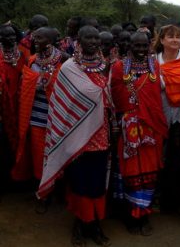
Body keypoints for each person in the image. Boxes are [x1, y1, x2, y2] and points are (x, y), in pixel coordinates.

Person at [38, 25, 112, 247]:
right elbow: (62, 104)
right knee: (79, 182)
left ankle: (95, 225)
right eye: (87, 38)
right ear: (78, 41)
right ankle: (80, 224)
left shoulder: (106, 67)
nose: (93, 41)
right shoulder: (68, 68)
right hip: (75, 134)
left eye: (96, 38)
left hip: (100, 134)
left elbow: (110, 99)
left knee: (97, 182)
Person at [111, 31, 167, 236]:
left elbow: (157, 99)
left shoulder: (155, 67)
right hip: (129, 131)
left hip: (151, 129)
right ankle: (131, 215)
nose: (142, 50)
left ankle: (144, 214)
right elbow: (115, 101)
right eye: (137, 46)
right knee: (131, 173)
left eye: (145, 46)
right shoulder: (118, 68)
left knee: (149, 174)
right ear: (130, 46)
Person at [12, 27, 66, 183]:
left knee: (56, 154)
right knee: (38, 154)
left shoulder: (64, 60)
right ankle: (42, 189)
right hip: (36, 116)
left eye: (39, 38)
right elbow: (24, 86)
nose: (35, 41)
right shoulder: (32, 60)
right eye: (34, 38)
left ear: (49, 41)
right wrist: (32, 84)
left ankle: (55, 187)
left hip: (57, 119)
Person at [154, 25, 180, 211]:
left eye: (178, 37)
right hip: (160, 114)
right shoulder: (153, 62)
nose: (175, 40)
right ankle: (159, 197)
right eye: (170, 36)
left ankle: (178, 198)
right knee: (159, 157)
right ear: (162, 40)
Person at [0, 25, 26, 192]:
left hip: (19, 106)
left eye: (12, 35)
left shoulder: (23, 55)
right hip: (2, 108)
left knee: (18, 140)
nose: (10, 38)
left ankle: (17, 178)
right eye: (5, 36)